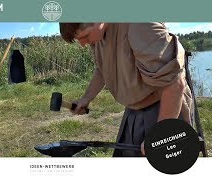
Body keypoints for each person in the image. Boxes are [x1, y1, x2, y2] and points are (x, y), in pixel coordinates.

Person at [59, 23, 193, 157]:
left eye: (85, 36)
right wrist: (86, 99)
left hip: (166, 109)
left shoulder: (140, 24)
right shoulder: (97, 37)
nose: (83, 44)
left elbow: (175, 84)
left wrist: (161, 134)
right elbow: (102, 70)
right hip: (134, 111)